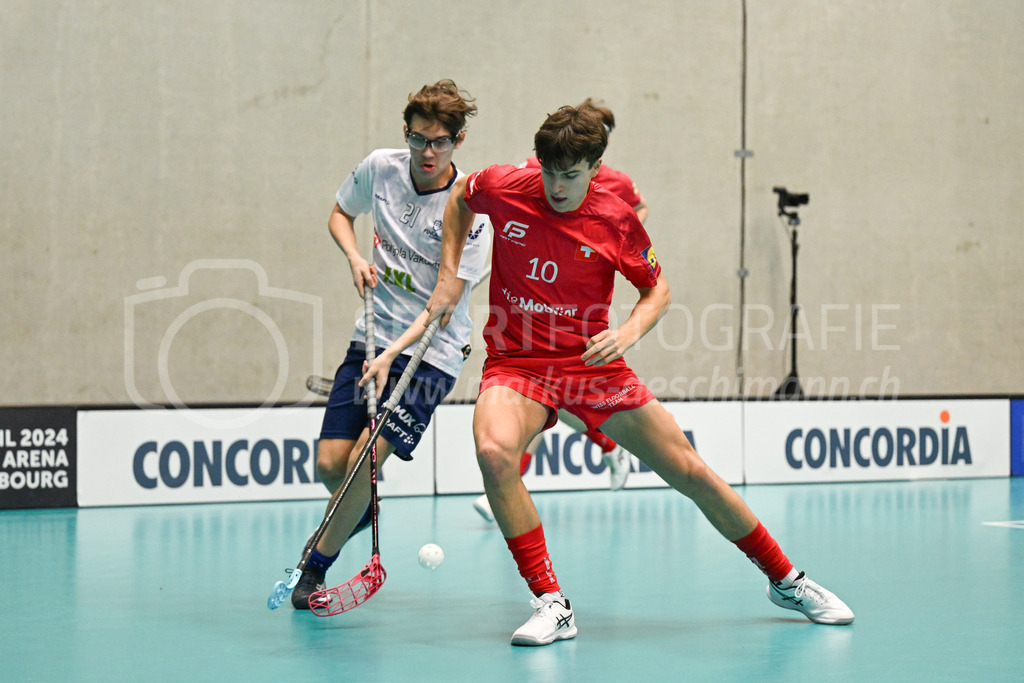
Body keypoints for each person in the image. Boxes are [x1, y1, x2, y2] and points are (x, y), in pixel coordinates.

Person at [426, 104, 854, 646]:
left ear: (596, 166)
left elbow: (658, 291)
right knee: (493, 453)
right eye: (550, 171)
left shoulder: (614, 218)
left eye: (571, 175)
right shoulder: (506, 186)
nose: (556, 187)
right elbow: (462, 197)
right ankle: (551, 602)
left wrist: (626, 334)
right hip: (518, 363)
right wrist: (449, 276)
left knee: (691, 471)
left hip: (593, 365)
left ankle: (786, 580)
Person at [291, 79, 491, 610]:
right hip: (373, 333)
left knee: (362, 462)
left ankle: (313, 567)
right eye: (418, 139)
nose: (427, 152)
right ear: (406, 133)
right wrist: (355, 257)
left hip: (431, 351)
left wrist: (389, 357)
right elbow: (339, 212)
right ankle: (353, 516)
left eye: (440, 141)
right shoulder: (380, 168)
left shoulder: (471, 207)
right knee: (331, 463)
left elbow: (442, 307)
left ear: (459, 140)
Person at [471, 98, 643, 522]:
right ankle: (596, 452)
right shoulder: (535, 167)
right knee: (533, 405)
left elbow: (635, 219)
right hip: (527, 318)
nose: (559, 181)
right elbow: (514, 208)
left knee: (554, 404)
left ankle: (605, 449)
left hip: (577, 318)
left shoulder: (616, 183)